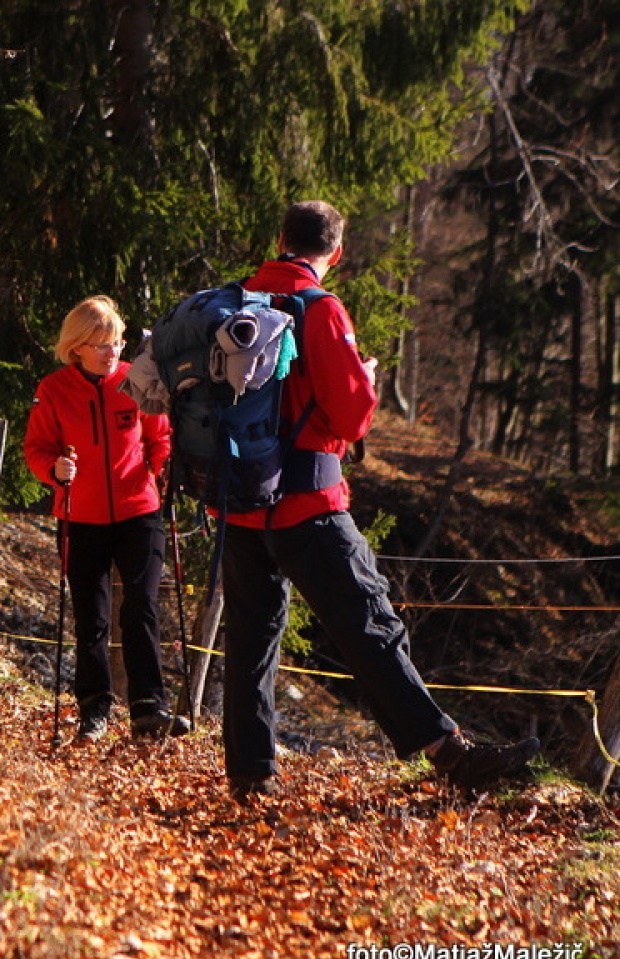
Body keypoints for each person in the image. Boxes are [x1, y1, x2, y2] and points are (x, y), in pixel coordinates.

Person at [222, 200, 539, 799]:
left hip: (237, 501)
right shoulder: (319, 308)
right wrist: (363, 379)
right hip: (306, 502)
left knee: (250, 639)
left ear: (280, 239)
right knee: (371, 623)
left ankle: (250, 772)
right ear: (336, 253)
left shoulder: (239, 297)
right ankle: (448, 754)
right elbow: (351, 414)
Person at [23, 296, 192, 743]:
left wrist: (161, 472)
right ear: (76, 347)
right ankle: (94, 707)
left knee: (141, 608)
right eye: (100, 344)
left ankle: (148, 709)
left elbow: (160, 437)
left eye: (116, 342)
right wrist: (55, 470)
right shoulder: (54, 389)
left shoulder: (136, 381)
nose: (111, 352)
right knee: (92, 617)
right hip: (81, 516)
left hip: (139, 512)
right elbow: (36, 448)